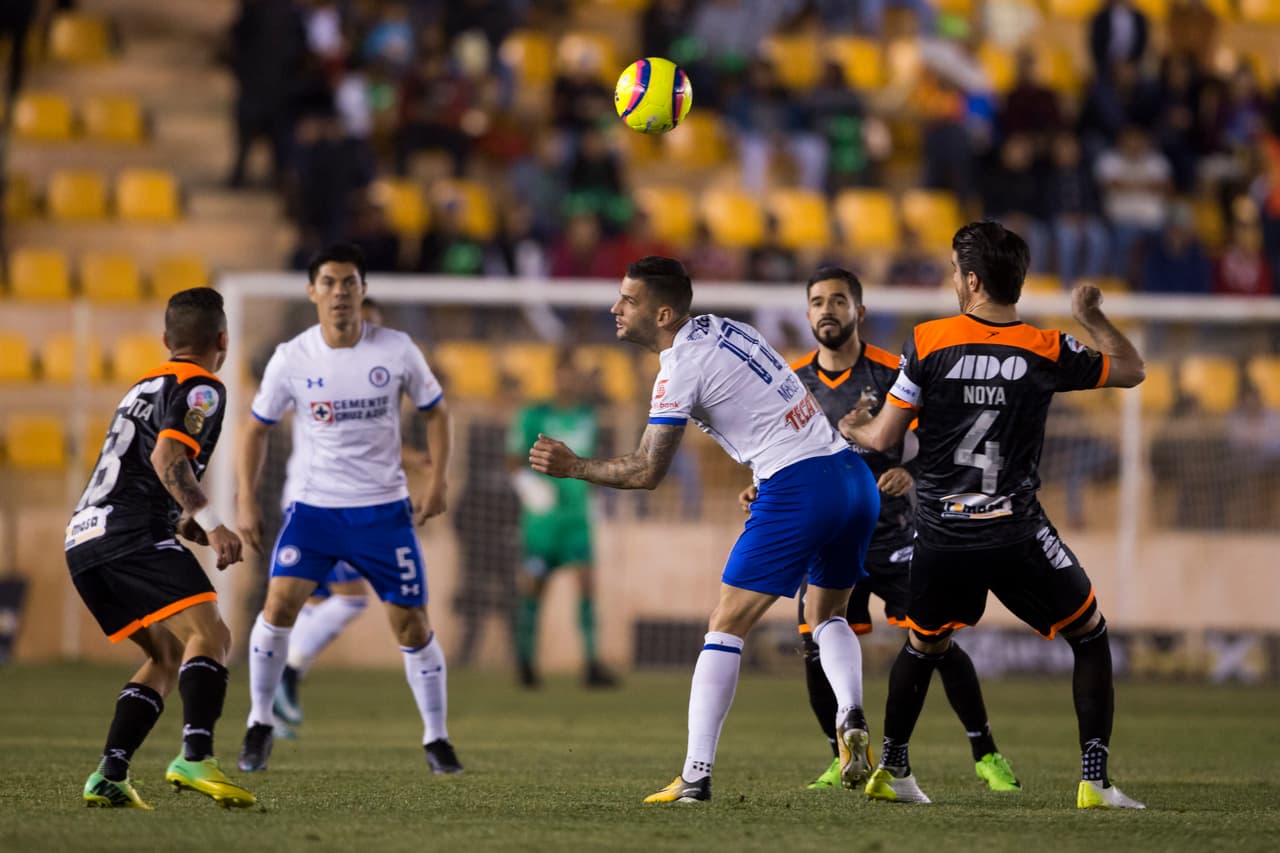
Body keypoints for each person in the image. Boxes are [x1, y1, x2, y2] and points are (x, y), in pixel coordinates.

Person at [528, 257, 880, 803]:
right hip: (854, 479)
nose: (614, 308)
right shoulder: (727, 327)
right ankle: (851, 715)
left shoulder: (679, 368)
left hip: (800, 486)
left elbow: (648, 472)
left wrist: (574, 466)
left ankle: (695, 774)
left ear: (662, 313)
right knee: (827, 613)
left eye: (627, 300)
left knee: (725, 625)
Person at [845, 221, 1147, 809]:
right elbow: (1132, 370)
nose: (953, 280)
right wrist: (1091, 316)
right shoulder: (1045, 347)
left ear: (973, 280)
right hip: (1015, 532)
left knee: (924, 645)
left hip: (940, 533)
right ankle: (1095, 780)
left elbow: (883, 436)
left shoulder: (928, 341)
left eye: (956, 273)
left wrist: (853, 425)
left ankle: (895, 769)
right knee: (1089, 634)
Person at [743, 267, 1017, 793]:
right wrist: (759, 486)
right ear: (807, 315)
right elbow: (774, 452)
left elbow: (946, 444)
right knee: (813, 642)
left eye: (839, 301)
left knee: (934, 640)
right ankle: (841, 754)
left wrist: (909, 473)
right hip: (825, 539)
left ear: (859, 312)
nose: (827, 310)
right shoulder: (791, 382)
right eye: (818, 301)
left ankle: (985, 752)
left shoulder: (895, 372)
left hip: (894, 536)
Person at [235, 243, 462, 775]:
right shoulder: (292, 356)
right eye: (330, 283)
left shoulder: (397, 349)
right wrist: (246, 497)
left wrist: (438, 481)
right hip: (314, 511)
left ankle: (437, 739)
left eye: (350, 283)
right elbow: (255, 429)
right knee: (278, 607)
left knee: (411, 626)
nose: (340, 293)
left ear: (363, 290)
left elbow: (438, 413)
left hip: (383, 513)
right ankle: (259, 722)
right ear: (313, 291)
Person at [65, 287, 256, 809]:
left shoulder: (142, 387)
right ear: (223, 339)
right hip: (131, 534)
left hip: (84, 539)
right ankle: (195, 757)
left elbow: (139, 471)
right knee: (211, 633)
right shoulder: (202, 386)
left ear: (166, 340)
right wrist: (213, 523)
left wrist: (185, 523)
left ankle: (110, 772)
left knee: (167, 654)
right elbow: (168, 457)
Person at [271, 298, 416, 728]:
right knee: (350, 599)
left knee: (314, 604)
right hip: (323, 502)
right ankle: (287, 675)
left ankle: (276, 706)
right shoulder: (333, 371)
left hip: (323, 498)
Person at [508, 352, 616, 688]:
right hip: (543, 522)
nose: (568, 381)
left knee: (586, 583)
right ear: (554, 376)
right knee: (535, 587)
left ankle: (591, 663)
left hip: (577, 519)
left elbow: (593, 461)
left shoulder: (588, 416)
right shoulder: (534, 415)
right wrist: (530, 488)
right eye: (563, 374)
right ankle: (525, 664)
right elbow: (513, 460)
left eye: (573, 375)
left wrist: (597, 498)